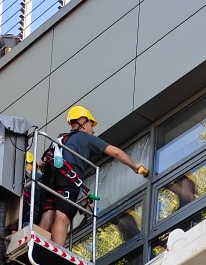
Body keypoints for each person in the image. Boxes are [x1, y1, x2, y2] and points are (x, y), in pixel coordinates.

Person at [35, 106, 147, 247]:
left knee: (49, 212)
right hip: (68, 177)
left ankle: (37, 245)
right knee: (62, 217)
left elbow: (41, 162)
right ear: (83, 122)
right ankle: (57, 252)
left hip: (49, 177)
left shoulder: (60, 140)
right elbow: (116, 152)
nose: (93, 130)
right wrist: (134, 165)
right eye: (91, 125)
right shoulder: (86, 138)